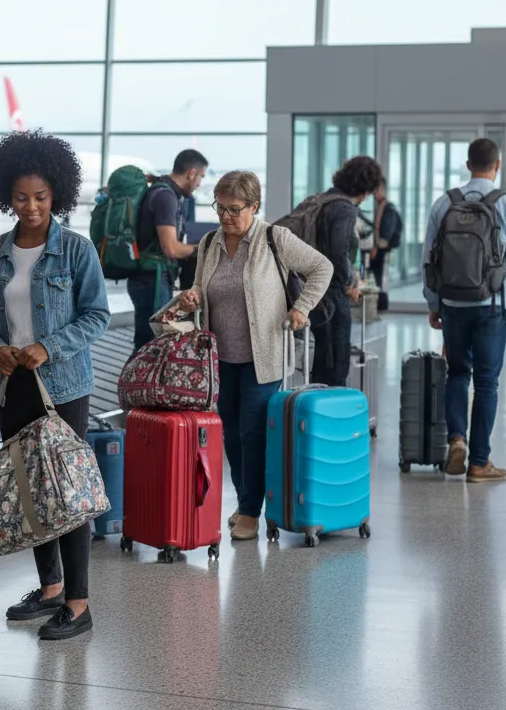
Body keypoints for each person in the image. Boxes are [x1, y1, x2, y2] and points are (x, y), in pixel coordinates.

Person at [0, 130, 110, 640]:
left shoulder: (75, 249)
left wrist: (49, 346)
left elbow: (97, 315)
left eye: (41, 198)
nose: (31, 207)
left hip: (64, 386)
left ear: (58, 196)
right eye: (22, 197)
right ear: (8, 194)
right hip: (12, 387)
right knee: (31, 492)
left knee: (66, 493)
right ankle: (49, 588)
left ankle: (78, 601)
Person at [172, 171, 331, 541]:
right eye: (220, 208)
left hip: (264, 355)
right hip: (220, 357)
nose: (226, 217)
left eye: (234, 210)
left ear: (254, 206)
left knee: (253, 432)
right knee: (231, 434)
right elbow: (199, 285)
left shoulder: (275, 238)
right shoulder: (210, 243)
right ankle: (247, 500)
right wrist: (191, 296)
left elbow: (322, 268)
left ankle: (249, 512)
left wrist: (302, 308)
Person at [423, 138, 506, 483]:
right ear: (497, 165)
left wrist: (434, 303)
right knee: (487, 383)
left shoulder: (445, 202)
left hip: (453, 304)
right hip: (491, 305)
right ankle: (479, 463)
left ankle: (456, 438)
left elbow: (428, 258)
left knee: (457, 373)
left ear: (467, 164)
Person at [308, 156, 380, 386]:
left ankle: (316, 414)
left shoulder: (323, 199)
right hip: (332, 296)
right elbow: (338, 252)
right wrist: (349, 284)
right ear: (365, 189)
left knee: (322, 362)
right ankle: (331, 417)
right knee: (335, 366)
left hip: (313, 290)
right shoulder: (345, 208)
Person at [126, 149, 206, 352]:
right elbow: (170, 248)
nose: (199, 184)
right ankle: (137, 383)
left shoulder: (163, 191)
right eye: (200, 177)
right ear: (191, 173)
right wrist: (201, 248)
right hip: (152, 280)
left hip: (148, 278)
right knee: (151, 342)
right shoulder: (166, 197)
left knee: (147, 340)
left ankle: (140, 382)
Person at [368, 176, 403, 312]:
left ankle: (381, 304)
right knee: (378, 277)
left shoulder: (388, 208)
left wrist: (376, 247)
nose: (374, 194)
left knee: (380, 278)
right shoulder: (382, 207)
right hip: (381, 249)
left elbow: (385, 235)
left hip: (382, 251)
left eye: (377, 190)